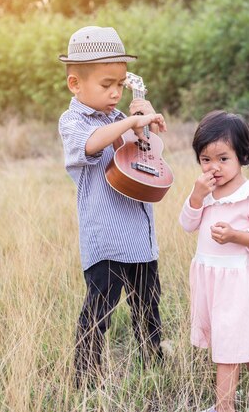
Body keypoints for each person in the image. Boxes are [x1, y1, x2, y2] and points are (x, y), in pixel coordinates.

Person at [57, 26, 167, 388]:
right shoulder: (73, 121)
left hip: (139, 237)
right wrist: (128, 125)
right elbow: (90, 146)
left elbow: (150, 162)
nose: (116, 93)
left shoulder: (121, 118)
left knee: (148, 309)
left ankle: (155, 368)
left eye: (120, 84)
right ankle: (86, 380)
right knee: (98, 311)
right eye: (107, 85)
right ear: (76, 84)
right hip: (105, 239)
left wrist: (145, 126)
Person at [179, 111, 249, 412]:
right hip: (209, 279)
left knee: (229, 345)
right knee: (233, 334)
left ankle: (225, 407)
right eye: (206, 159)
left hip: (235, 280)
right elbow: (187, 224)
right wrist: (196, 197)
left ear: (242, 156)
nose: (214, 167)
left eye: (223, 158)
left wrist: (237, 235)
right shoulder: (205, 191)